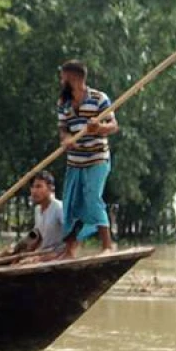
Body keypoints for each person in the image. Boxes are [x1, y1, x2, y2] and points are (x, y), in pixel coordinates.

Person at [57, 60, 119, 258]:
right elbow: (63, 129)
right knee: (70, 204)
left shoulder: (99, 98)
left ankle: (107, 245)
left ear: (74, 78)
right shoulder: (63, 103)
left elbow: (113, 125)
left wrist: (98, 128)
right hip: (75, 161)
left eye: (63, 77)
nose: (61, 81)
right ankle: (70, 250)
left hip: (96, 159)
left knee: (92, 198)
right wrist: (66, 140)